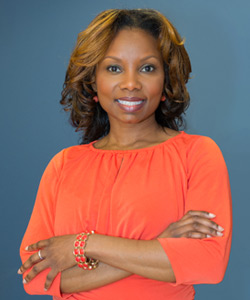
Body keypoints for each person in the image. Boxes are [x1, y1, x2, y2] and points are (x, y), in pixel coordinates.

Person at [18, 9, 232, 300]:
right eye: (114, 68)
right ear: (93, 81)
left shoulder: (197, 154)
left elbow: (208, 264)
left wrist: (82, 246)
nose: (131, 83)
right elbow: (37, 279)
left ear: (166, 80)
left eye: (147, 68)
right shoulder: (63, 165)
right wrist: (160, 245)